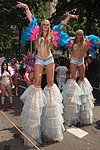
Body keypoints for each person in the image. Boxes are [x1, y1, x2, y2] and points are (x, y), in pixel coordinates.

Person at [16, 1, 78, 148]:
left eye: (47, 24)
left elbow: (62, 24)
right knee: (37, 83)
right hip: (39, 59)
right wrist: (27, 8)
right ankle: (34, 114)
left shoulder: (53, 34)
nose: (45, 26)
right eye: (43, 24)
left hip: (49, 59)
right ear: (41, 26)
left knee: (50, 83)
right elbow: (31, 19)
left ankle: (52, 121)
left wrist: (69, 16)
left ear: (49, 26)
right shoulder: (36, 34)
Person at [62, 29, 100, 127]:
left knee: (83, 79)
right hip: (74, 60)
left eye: (81, 33)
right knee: (73, 79)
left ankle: (84, 104)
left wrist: (85, 52)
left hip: (81, 60)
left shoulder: (86, 42)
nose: (79, 35)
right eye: (78, 33)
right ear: (76, 34)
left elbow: (89, 51)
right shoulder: (72, 42)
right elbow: (62, 40)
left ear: (83, 35)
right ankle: (72, 106)